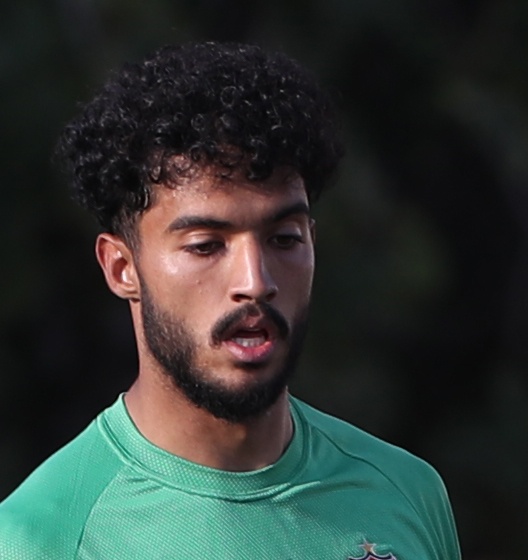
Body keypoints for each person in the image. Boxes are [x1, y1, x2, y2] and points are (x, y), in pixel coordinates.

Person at [0, 42, 461, 560]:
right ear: (122, 268)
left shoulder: (405, 492)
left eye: (284, 239)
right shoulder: (41, 538)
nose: (255, 281)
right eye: (206, 245)